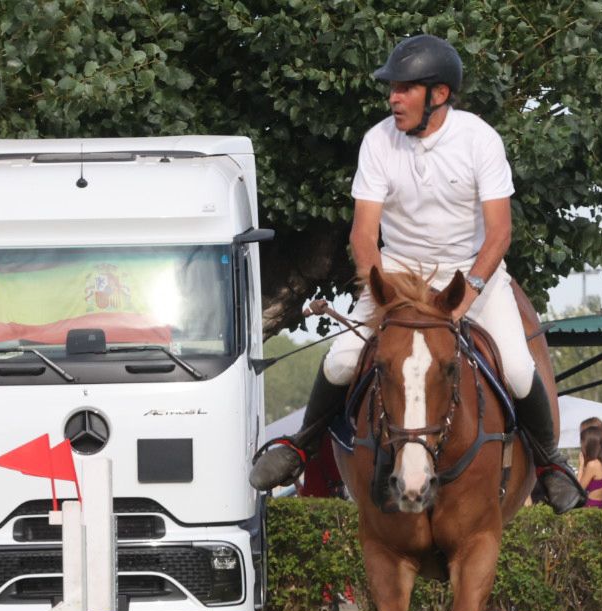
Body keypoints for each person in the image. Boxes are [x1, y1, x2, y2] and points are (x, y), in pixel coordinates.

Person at [247, 34, 582, 511]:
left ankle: (549, 464)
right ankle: (300, 445)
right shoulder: (378, 141)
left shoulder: (479, 139)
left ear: (439, 94)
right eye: (392, 88)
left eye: (404, 89)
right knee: (342, 360)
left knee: (518, 368)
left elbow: (499, 234)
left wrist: (465, 299)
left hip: (469, 273)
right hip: (399, 274)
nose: (393, 98)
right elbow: (364, 235)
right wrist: (382, 293)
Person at [578, 427, 602, 508]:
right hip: (601, 505)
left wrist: (581, 465)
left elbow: (579, 489)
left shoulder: (592, 465)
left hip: (590, 506)